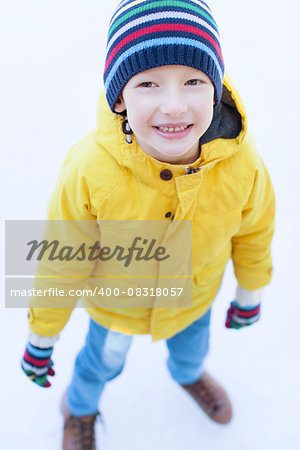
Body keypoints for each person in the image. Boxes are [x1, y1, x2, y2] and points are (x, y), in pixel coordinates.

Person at [21, 0, 275, 448]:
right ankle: (79, 406)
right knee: (101, 364)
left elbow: (255, 230)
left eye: (193, 81)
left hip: (195, 296)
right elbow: (61, 259)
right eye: (149, 83)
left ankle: (189, 375)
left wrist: (250, 289)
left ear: (214, 89)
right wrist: (43, 336)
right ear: (120, 95)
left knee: (191, 352)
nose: (174, 105)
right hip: (120, 307)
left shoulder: (242, 163)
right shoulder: (89, 171)